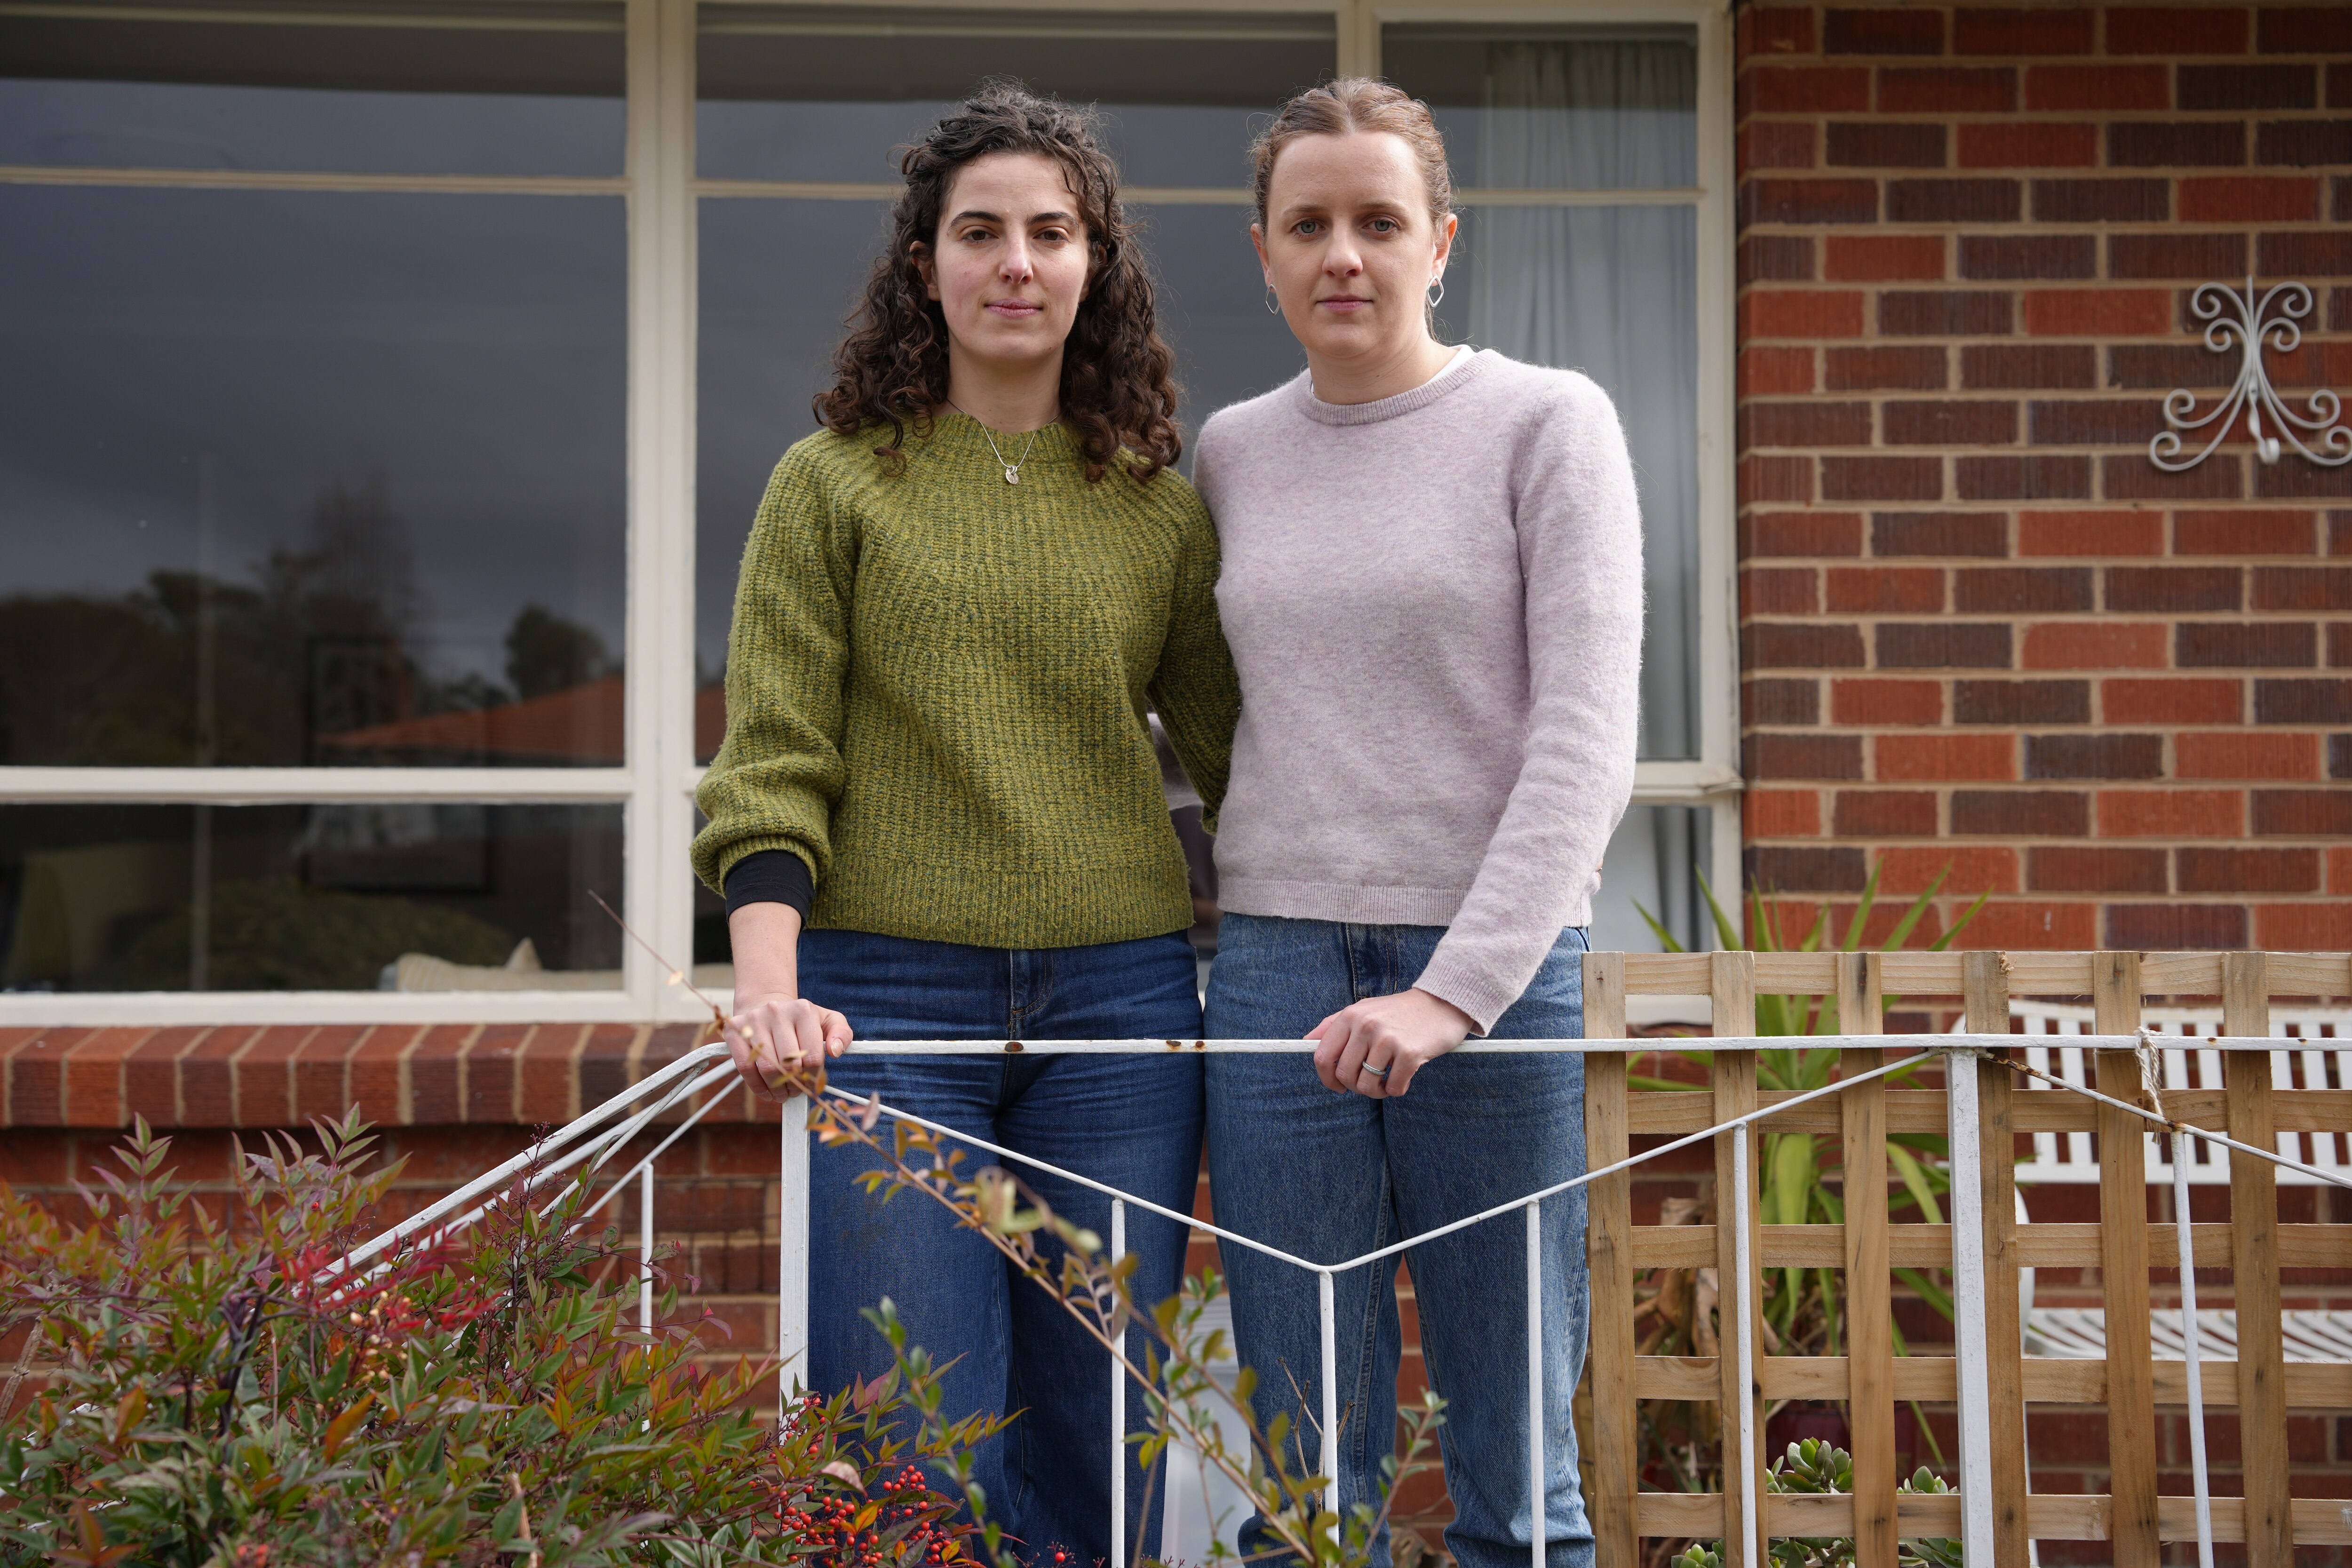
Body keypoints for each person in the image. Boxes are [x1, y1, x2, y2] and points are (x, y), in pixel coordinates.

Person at [691, 84, 1239, 1563]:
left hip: (1124, 1016)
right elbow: (771, 764)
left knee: (1096, 1431)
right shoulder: (832, 486)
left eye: (1050, 233)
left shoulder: (1157, 509)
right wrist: (767, 987)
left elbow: (1250, 764)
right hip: (886, 1014)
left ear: (1095, 265)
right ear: (923, 264)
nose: (1016, 261)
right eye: (979, 230)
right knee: (901, 1439)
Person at [1192, 79, 1642, 1568]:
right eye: (1307, 224)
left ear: (1440, 241)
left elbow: (1586, 738)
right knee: (1310, 1471)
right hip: (1270, 968)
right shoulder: (1232, 455)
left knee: (1517, 1470)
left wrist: (1456, 990)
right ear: (1261, 252)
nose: (1345, 255)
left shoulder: (1548, 424)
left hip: (1495, 977)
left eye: (1379, 222)